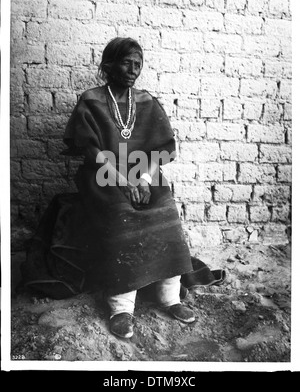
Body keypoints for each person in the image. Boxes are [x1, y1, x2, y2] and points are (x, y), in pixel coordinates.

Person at [21, 37, 225, 339]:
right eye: (127, 63)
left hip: (143, 171)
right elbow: (92, 152)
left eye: (138, 64)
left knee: (165, 207)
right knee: (122, 213)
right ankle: (122, 306)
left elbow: (161, 151)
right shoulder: (91, 99)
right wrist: (123, 182)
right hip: (102, 175)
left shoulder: (145, 101)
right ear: (108, 66)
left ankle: (169, 296)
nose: (133, 69)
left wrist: (143, 179)